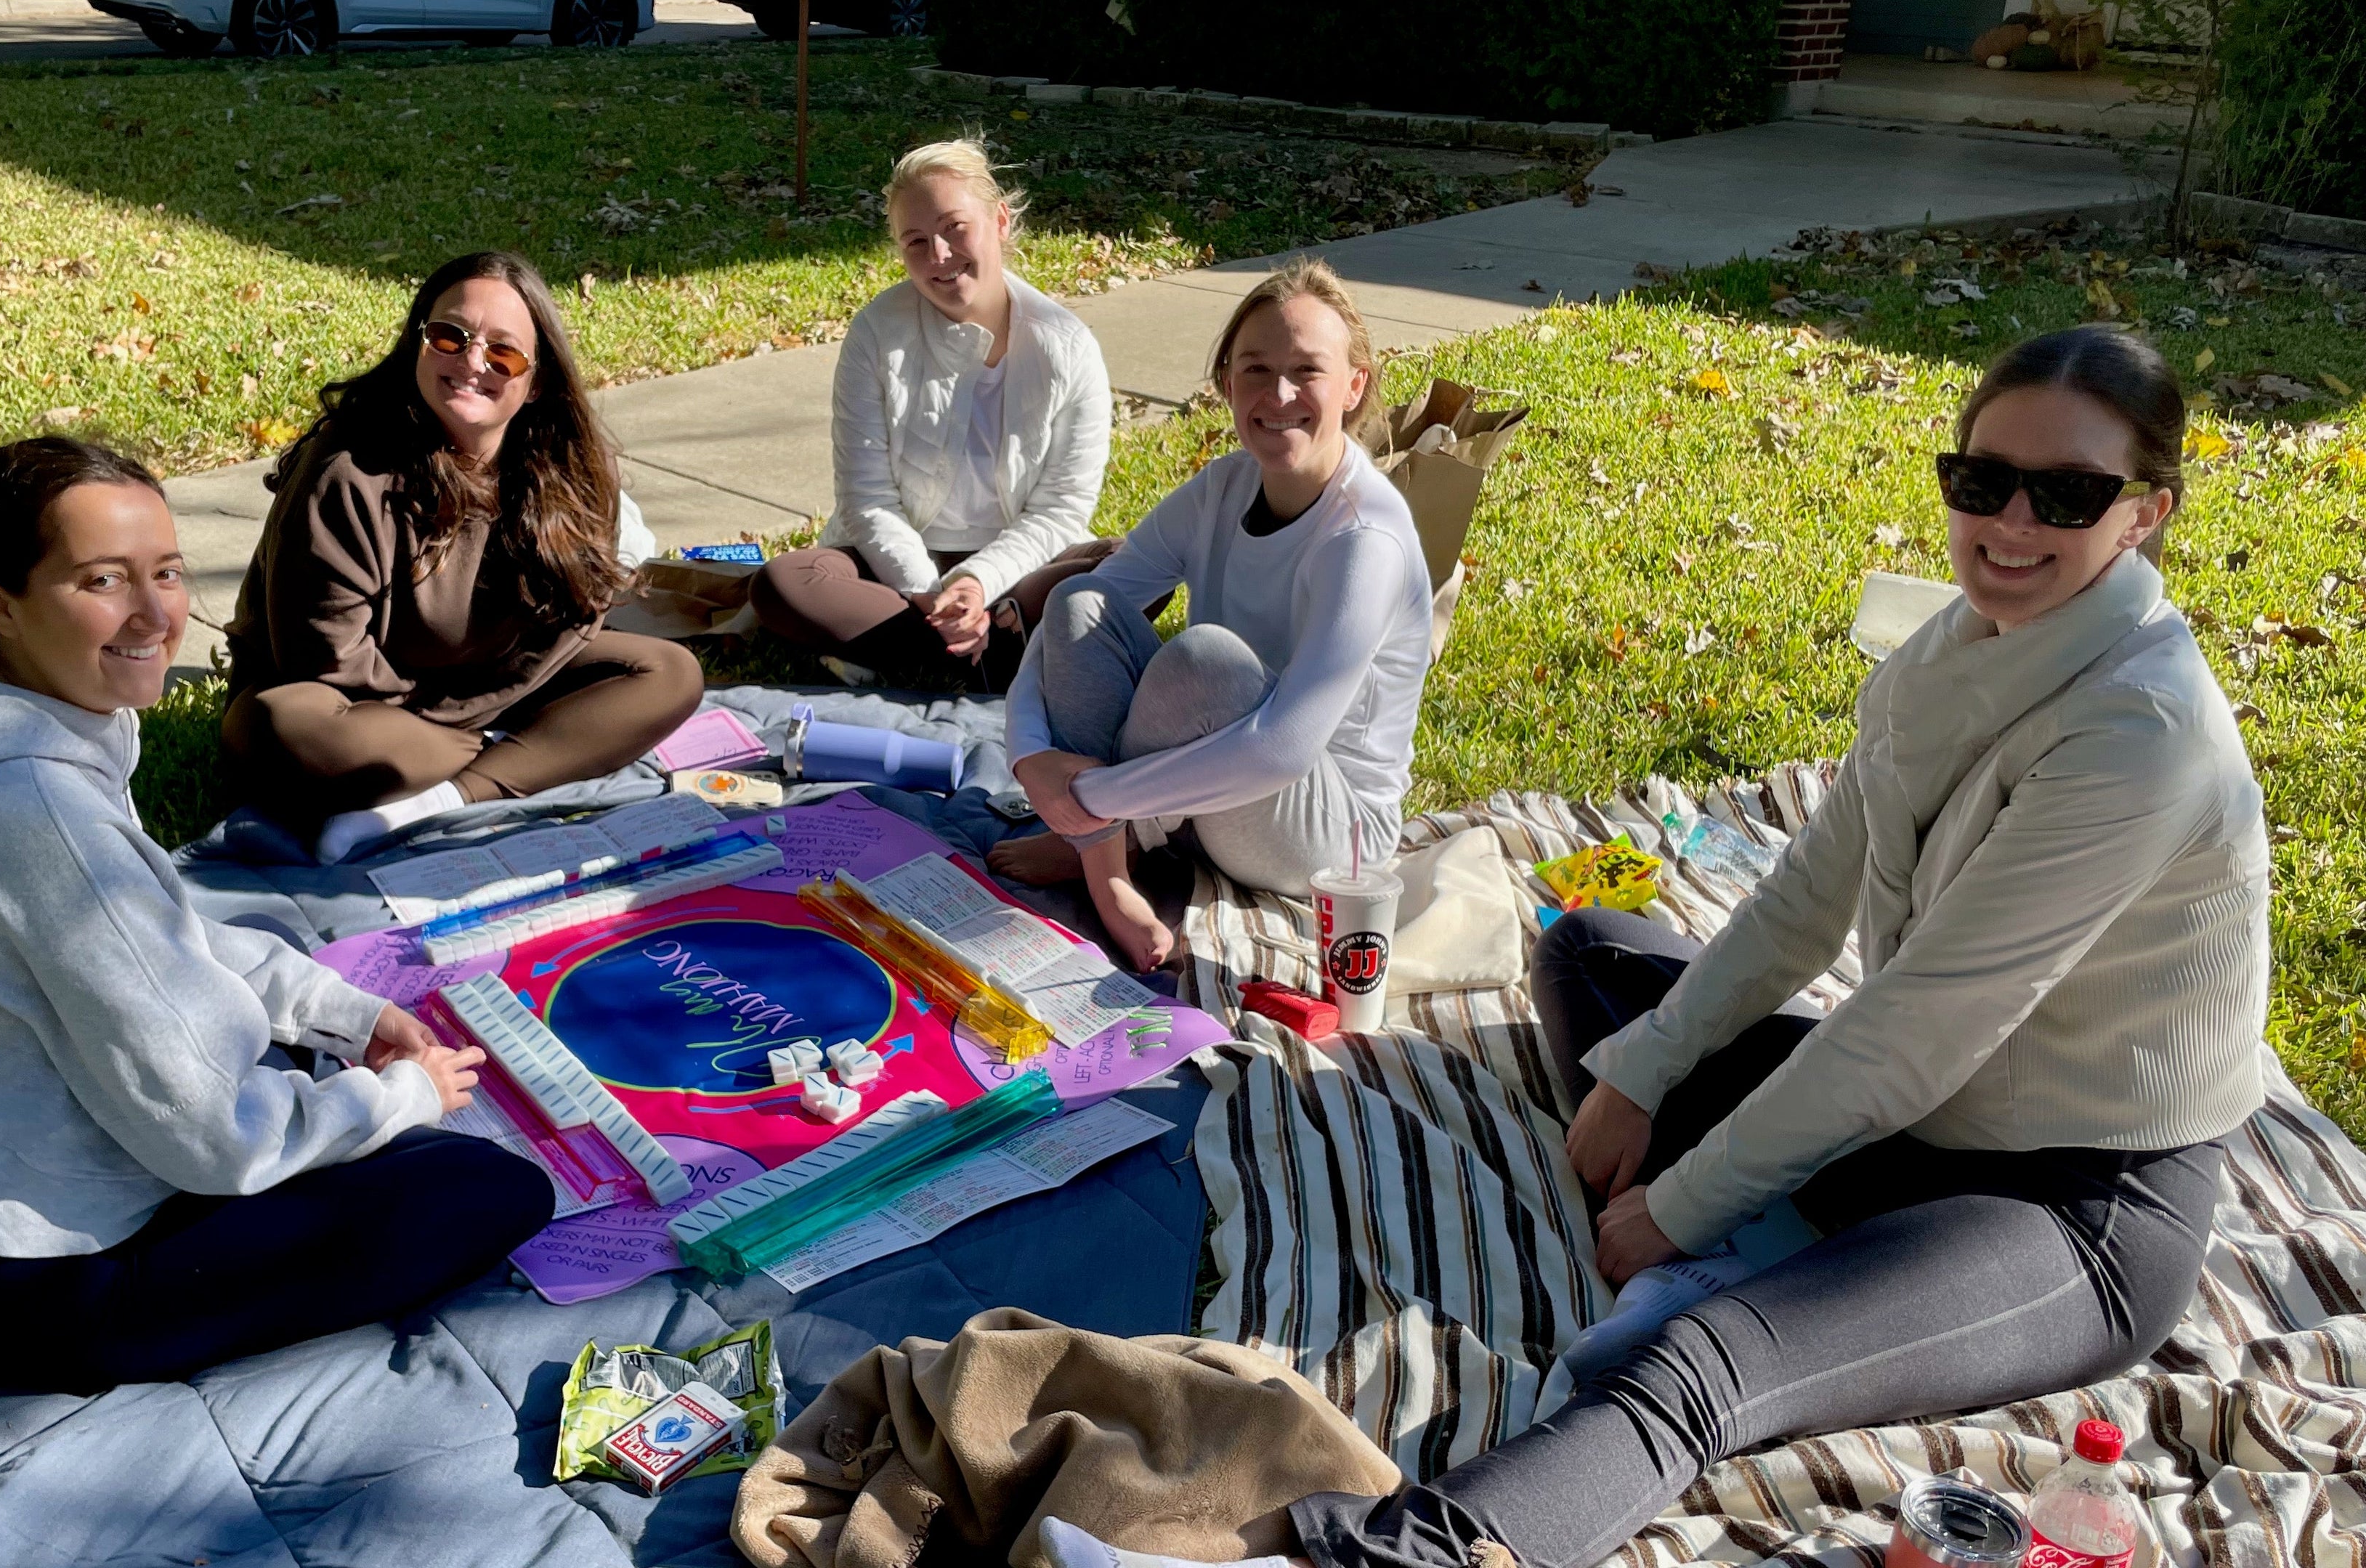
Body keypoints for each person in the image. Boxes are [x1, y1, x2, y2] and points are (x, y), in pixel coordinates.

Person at [1043, 325, 2269, 1568]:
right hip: (1918, 1119)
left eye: (2066, 494)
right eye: (1981, 480)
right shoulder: (1954, 652)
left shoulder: (2140, 734)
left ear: (2144, 514)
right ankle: (1799, 1238)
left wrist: (1685, 1203)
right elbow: (1808, 898)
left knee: (1698, 1367)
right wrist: (1639, 1072)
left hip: (2068, 1199)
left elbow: (1915, 1034)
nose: (2010, 521)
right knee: (1591, 960)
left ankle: (1366, 1556)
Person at [0, 437, 554, 1394]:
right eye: (103, 580)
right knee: (490, 1188)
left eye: (166, 573)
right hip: (40, 1289)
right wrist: (406, 1097)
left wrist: (337, 1011)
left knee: (305, 1061)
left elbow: (157, 928)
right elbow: (223, 1136)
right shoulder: (34, 813)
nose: (153, 614)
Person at [991, 259, 1435, 971]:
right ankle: (1107, 874)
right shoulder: (1223, 488)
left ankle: (1106, 837)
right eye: (1256, 369)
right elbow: (1075, 618)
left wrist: (1086, 796)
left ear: (1354, 386)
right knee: (1080, 601)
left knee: (1206, 661)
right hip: (1198, 801)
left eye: (1307, 371)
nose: (1279, 394)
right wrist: (1029, 759)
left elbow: (1283, 746)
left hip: (1320, 832)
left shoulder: (1365, 539)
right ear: (1227, 382)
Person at [222, 250, 702, 864]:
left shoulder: (574, 471)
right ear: (418, 343)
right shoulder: (348, 471)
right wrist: (474, 724)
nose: (472, 363)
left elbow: (575, 622)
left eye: (504, 353)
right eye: (450, 337)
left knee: (669, 674)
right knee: (287, 727)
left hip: (492, 693)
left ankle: (443, 800)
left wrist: (477, 711)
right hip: (357, 707)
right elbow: (324, 661)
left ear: (537, 381)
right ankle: (526, 755)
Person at [750, 139, 1117, 690]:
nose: (939, 256)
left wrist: (976, 582)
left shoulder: (1068, 347)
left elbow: (1062, 509)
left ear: (999, 220)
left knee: (1128, 564)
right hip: (896, 571)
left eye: (955, 228)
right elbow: (866, 499)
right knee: (785, 582)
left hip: (1019, 569)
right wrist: (929, 591)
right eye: (915, 241)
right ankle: (996, 647)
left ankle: (928, 649)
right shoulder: (878, 333)